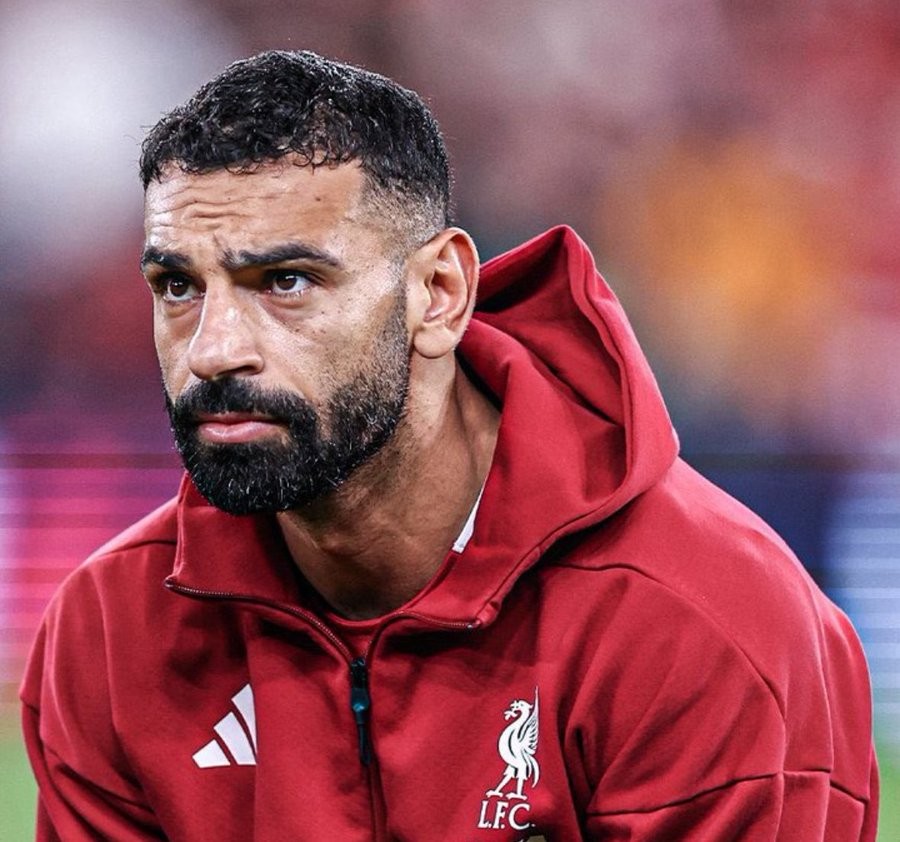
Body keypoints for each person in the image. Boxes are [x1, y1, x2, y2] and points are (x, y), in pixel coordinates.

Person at [21, 50, 878, 841]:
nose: (212, 351)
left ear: (438, 293)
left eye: (285, 281)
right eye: (177, 286)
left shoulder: (701, 626)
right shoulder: (112, 633)